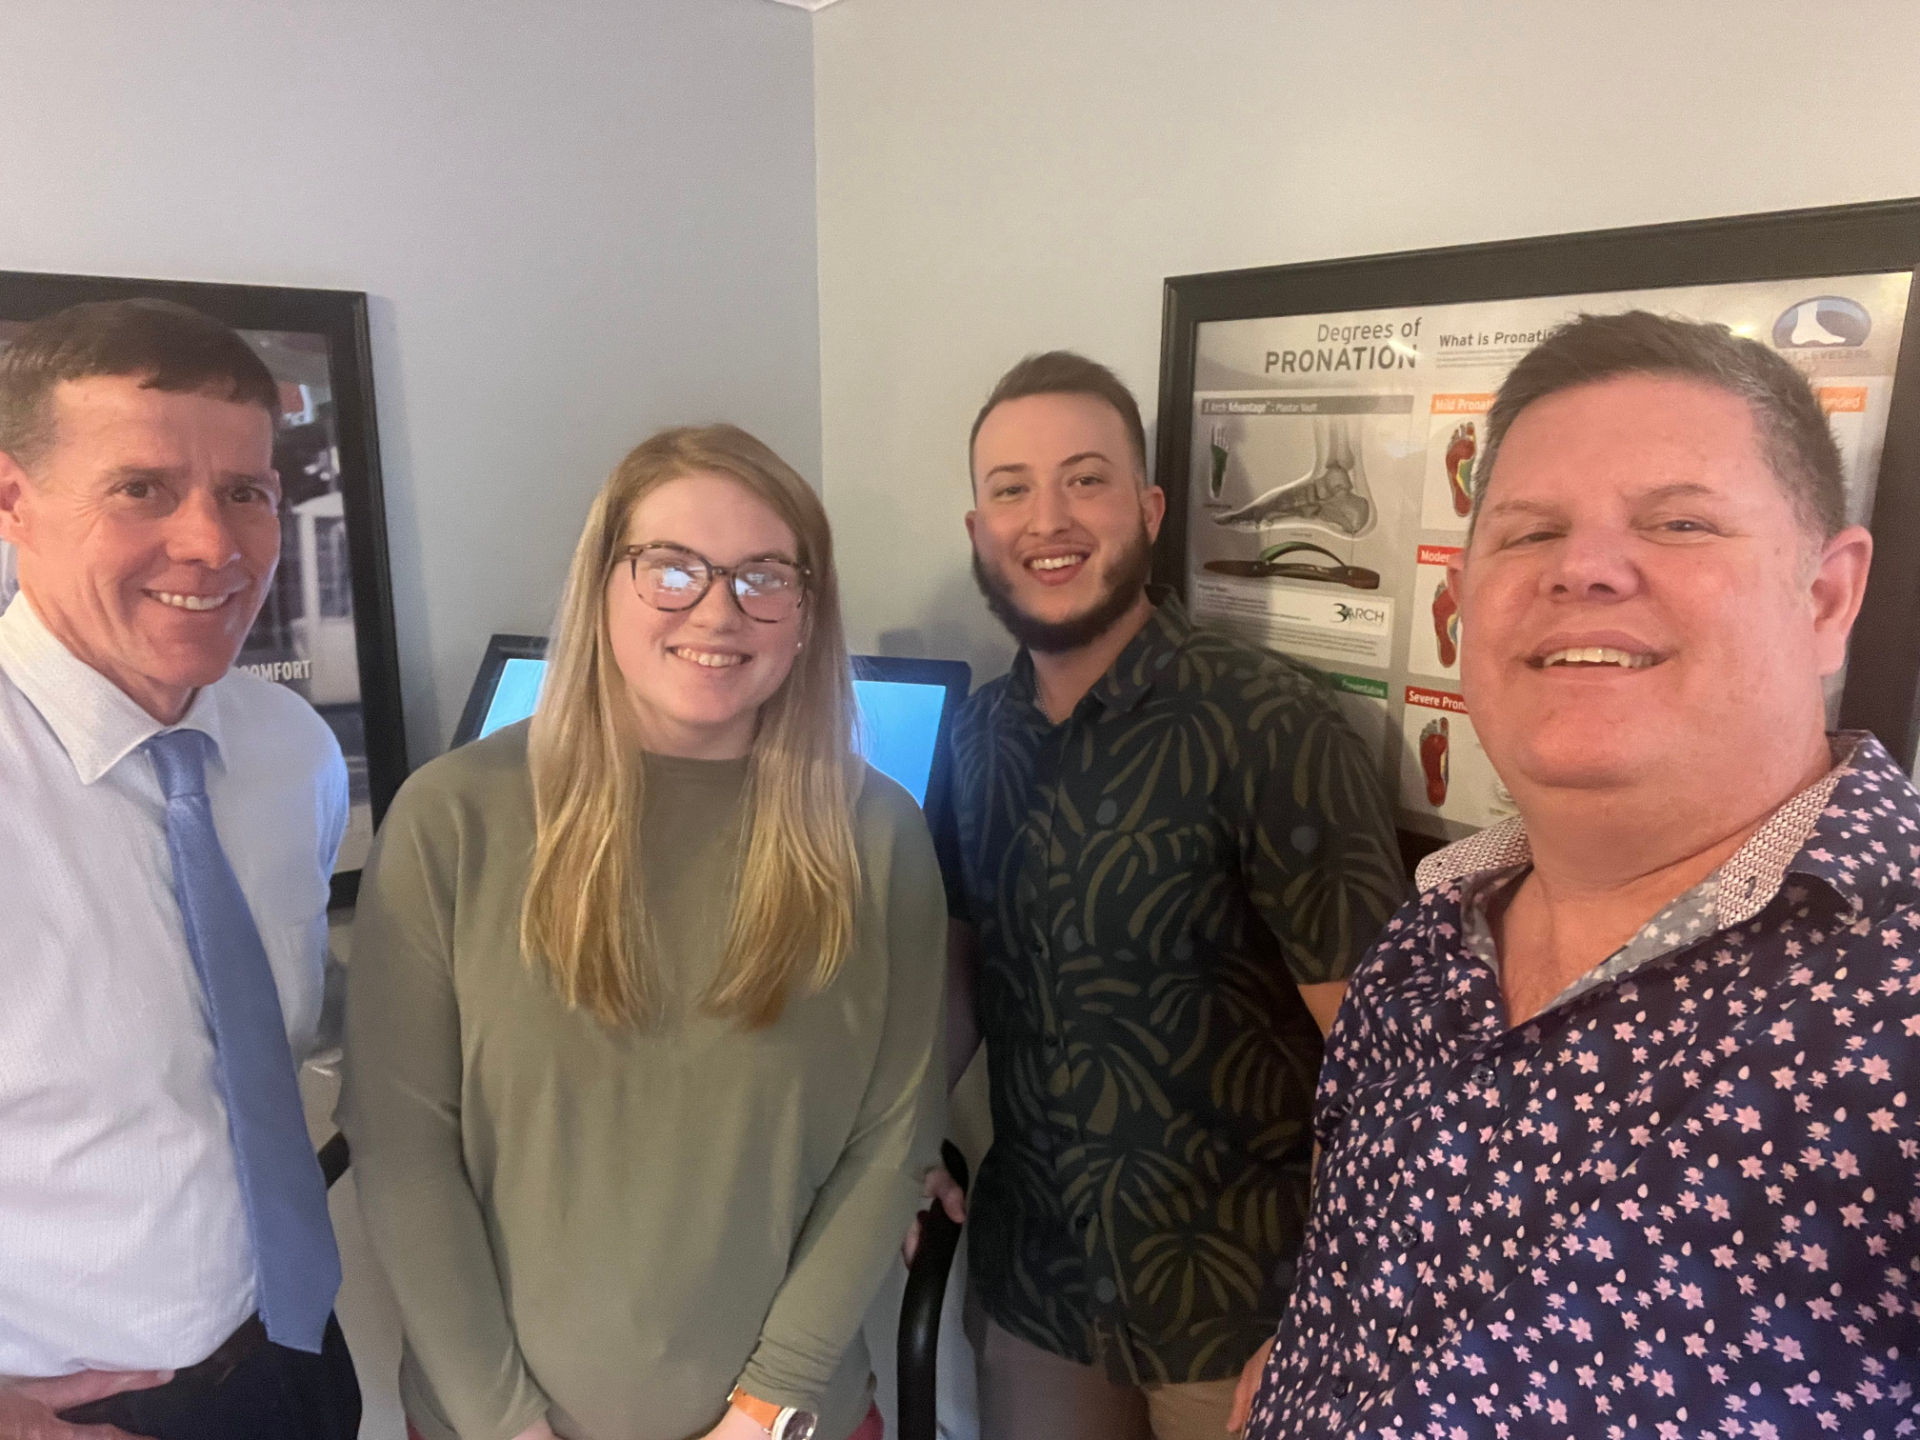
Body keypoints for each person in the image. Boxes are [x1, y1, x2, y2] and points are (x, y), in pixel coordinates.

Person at [1240, 310, 1920, 1438]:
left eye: (1681, 522)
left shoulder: (1896, 1003)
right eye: (1529, 532)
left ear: (1827, 598)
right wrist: (1312, 1350)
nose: (1584, 568)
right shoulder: (1424, 945)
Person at [340, 424, 948, 1440]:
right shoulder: (453, 819)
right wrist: (504, 1426)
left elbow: (892, 1145)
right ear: (602, 584)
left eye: (764, 575)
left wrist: (765, 1410)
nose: (718, 609)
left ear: (807, 610)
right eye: (672, 567)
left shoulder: (877, 836)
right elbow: (404, 1151)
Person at [929, 352, 1406, 1440]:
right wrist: (902, 1133)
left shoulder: (1269, 727)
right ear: (979, 530)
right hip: (1039, 1288)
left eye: (1085, 479)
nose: (1048, 519)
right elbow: (961, 966)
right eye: (1012, 489)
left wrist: (1340, 1298)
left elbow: (1381, 1054)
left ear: (1147, 510)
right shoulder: (976, 736)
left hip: (1242, 1308)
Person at [0, 298, 359, 1439]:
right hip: (72, 1410)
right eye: (141, 488)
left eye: (245, 492)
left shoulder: (289, 750)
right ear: (11, 500)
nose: (212, 543)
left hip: (297, 1355)